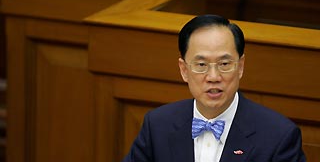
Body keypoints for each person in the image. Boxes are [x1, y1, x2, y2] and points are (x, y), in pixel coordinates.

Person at [122, 14, 306, 162]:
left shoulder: (278, 136)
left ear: (240, 66)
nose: (213, 77)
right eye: (201, 65)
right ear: (184, 70)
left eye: (224, 64)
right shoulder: (157, 125)